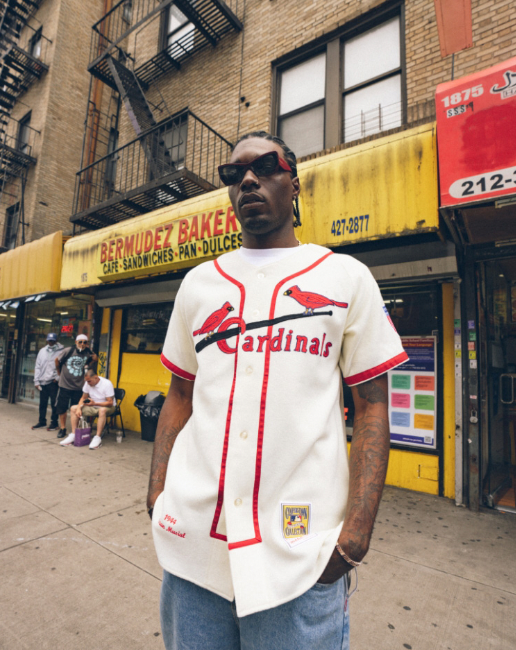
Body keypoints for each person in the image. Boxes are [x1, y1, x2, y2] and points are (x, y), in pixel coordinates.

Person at [147, 131, 408, 650]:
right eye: (234, 173)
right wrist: (157, 493)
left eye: (266, 165)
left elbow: (373, 404)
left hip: (298, 555)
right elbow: (179, 394)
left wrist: (357, 530)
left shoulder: (345, 277)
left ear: (294, 182)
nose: (248, 179)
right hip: (196, 549)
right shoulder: (199, 284)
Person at [54, 333, 97, 439]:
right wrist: (59, 372)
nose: (82, 344)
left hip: (78, 386)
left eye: (85, 342)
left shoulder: (88, 353)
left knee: (76, 408)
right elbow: (57, 360)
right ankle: (63, 428)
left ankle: (75, 430)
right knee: (62, 407)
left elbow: (92, 360)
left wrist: (94, 359)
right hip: (65, 384)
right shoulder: (68, 350)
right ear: (76, 342)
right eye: (80, 342)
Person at [60, 368, 115, 450]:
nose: (88, 383)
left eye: (89, 381)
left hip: (107, 407)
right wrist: (79, 408)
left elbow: (110, 403)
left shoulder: (107, 384)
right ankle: (74, 435)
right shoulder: (88, 383)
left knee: (102, 410)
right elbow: (83, 397)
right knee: (73, 408)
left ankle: (97, 437)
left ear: (96, 377)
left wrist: (95, 403)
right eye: (86, 381)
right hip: (92, 406)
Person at [32, 333, 63, 431]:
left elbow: (63, 366)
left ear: (56, 340)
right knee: (42, 403)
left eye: (53, 341)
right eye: (49, 341)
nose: (51, 343)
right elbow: (37, 366)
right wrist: (36, 381)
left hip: (53, 382)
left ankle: (54, 423)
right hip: (42, 381)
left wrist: (57, 378)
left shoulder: (61, 351)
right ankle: (42, 422)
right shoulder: (42, 351)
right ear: (47, 340)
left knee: (54, 403)